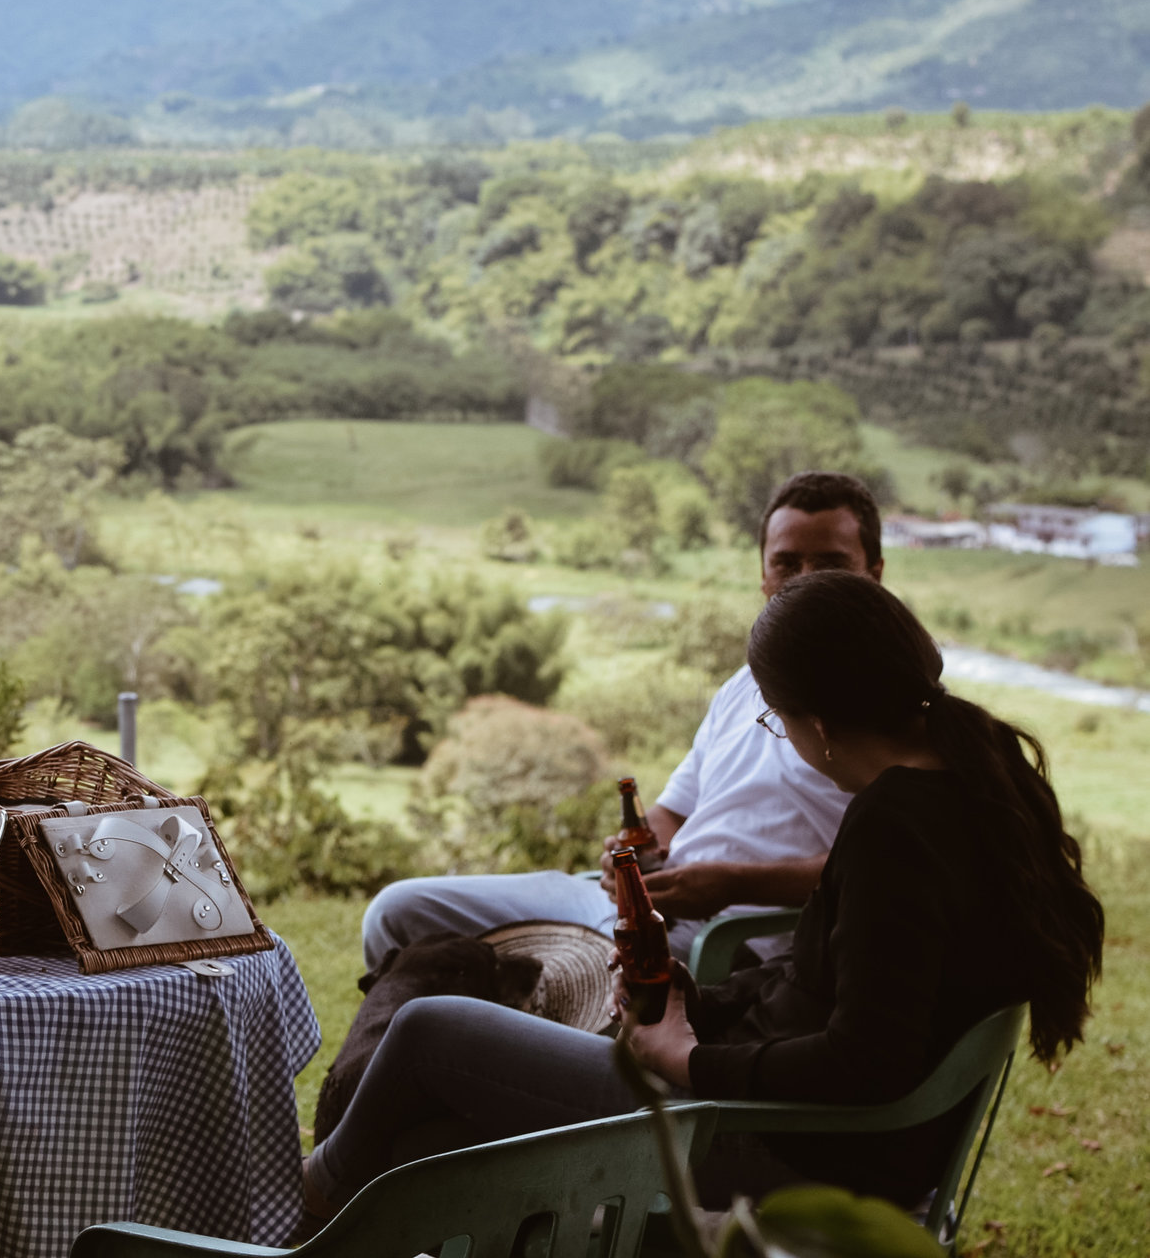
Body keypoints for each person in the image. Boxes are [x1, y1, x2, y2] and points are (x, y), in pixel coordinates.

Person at [302, 570, 1104, 1222]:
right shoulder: (970, 787)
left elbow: (868, 1059)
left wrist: (688, 1058)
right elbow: (830, 990)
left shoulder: (894, 828)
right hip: (797, 1124)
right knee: (423, 1144)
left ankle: (300, 1213)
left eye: (777, 721)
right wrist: (698, 1002)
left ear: (816, 724)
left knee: (431, 1031)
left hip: (777, 1145)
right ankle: (339, 1207)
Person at [360, 471, 881, 970]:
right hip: (641, 902)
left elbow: (883, 868)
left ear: (874, 573)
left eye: (830, 563)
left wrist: (731, 885)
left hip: (722, 938)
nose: (805, 582)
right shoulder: (743, 685)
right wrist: (632, 849)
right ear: (763, 575)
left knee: (490, 1007)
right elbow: (672, 814)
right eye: (786, 563)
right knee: (398, 913)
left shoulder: (898, 711)